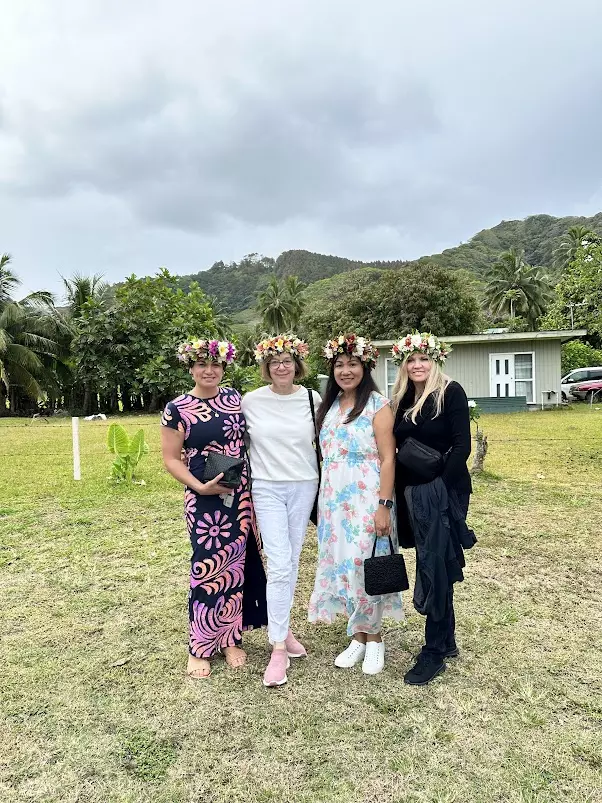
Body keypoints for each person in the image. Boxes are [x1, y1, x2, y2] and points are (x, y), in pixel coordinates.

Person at [161, 338, 267, 679]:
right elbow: (170, 459)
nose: (209, 370)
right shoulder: (177, 408)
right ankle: (200, 645)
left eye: (216, 365)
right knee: (206, 569)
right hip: (203, 498)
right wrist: (198, 486)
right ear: (190, 368)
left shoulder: (235, 399)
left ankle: (230, 637)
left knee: (235, 566)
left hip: (239, 497)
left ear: (224, 367)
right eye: (202, 365)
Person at [308, 334, 403, 675]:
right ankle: (358, 637)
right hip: (333, 501)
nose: (345, 371)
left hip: (366, 498)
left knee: (368, 566)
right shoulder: (328, 407)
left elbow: (388, 459)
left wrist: (383, 505)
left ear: (365, 366)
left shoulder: (378, 405)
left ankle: (375, 640)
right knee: (345, 567)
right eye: (339, 365)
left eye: (352, 364)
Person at [391, 331, 472, 686]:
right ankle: (447, 639)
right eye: (411, 359)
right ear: (403, 363)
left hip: (441, 491)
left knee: (435, 563)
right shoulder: (401, 396)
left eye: (423, 358)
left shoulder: (449, 391)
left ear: (434, 360)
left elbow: (462, 445)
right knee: (433, 558)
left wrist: (439, 486)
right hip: (411, 493)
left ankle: (434, 650)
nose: (417, 365)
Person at [241, 335, 320, 687]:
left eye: (287, 360)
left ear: (297, 364)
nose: (282, 366)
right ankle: (277, 648)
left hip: (304, 484)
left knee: (291, 560)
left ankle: (282, 630)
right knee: (280, 561)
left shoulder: (311, 398)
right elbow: (230, 437)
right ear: (266, 367)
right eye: (275, 362)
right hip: (267, 487)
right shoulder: (251, 401)